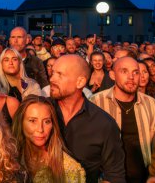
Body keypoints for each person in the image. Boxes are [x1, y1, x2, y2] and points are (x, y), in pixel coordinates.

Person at [50, 54, 125, 183]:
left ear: (80, 82)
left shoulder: (104, 124)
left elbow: (114, 175)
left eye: (60, 75)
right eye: (52, 73)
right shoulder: (41, 112)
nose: (52, 79)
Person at [91, 57, 155, 183]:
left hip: (143, 177)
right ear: (112, 75)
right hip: (108, 178)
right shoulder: (96, 103)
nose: (131, 77)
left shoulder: (151, 104)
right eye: (124, 71)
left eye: (136, 72)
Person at [12, 95, 85, 182]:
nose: (40, 129)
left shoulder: (69, 168)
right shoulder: (8, 158)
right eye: (32, 121)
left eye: (47, 121)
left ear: (53, 125)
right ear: (21, 122)